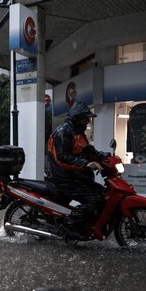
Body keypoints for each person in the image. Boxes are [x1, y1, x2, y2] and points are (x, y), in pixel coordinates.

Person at [46, 101, 108, 239]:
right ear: (77, 117)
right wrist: (86, 164)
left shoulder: (78, 131)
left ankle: (89, 224)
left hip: (76, 176)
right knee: (93, 199)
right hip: (64, 178)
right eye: (85, 117)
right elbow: (62, 158)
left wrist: (105, 156)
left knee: (102, 193)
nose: (88, 120)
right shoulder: (63, 132)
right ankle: (71, 225)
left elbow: (86, 151)